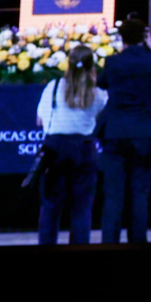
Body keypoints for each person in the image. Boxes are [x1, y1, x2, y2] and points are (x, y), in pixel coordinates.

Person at [96, 14, 151, 245]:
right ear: (144, 37)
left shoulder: (113, 62)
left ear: (122, 38)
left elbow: (101, 83)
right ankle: (138, 242)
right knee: (139, 193)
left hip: (115, 133)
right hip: (144, 133)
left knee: (113, 196)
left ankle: (109, 242)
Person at [36, 45, 107, 245]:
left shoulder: (54, 86)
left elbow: (39, 120)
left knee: (50, 207)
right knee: (82, 208)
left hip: (55, 149)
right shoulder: (98, 94)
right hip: (84, 149)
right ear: (92, 66)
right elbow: (103, 118)